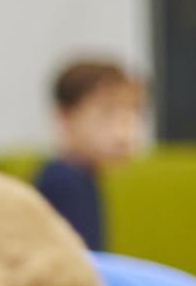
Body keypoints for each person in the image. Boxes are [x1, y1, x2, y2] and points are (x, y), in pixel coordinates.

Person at [34, 59, 147, 252]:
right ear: (65, 117)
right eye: (107, 114)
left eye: (132, 114)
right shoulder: (62, 181)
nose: (124, 132)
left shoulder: (85, 177)